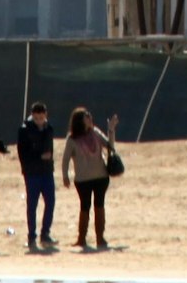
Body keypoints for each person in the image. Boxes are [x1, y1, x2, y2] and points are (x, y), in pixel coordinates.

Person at [60, 107, 119, 251]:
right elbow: (66, 158)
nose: (90, 118)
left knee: (100, 206)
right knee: (84, 207)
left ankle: (100, 237)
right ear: (80, 120)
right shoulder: (72, 139)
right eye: (87, 116)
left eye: (90, 116)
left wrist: (111, 130)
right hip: (82, 179)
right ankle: (82, 238)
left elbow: (110, 147)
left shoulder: (96, 133)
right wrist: (65, 175)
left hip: (101, 176)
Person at [15, 102, 58, 251]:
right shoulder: (25, 130)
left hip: (47, 172)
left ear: (46, 115)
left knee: (50, 202)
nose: (40, 120)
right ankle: (31, 236)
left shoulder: (49, 129)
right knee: (32, 205)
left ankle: (45, 234)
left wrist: (49, 160)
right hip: (32, 173)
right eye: (37, 117)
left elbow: (50, 149)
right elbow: (23, 154)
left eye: (42, 117)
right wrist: (40, 156)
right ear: (32, 116)